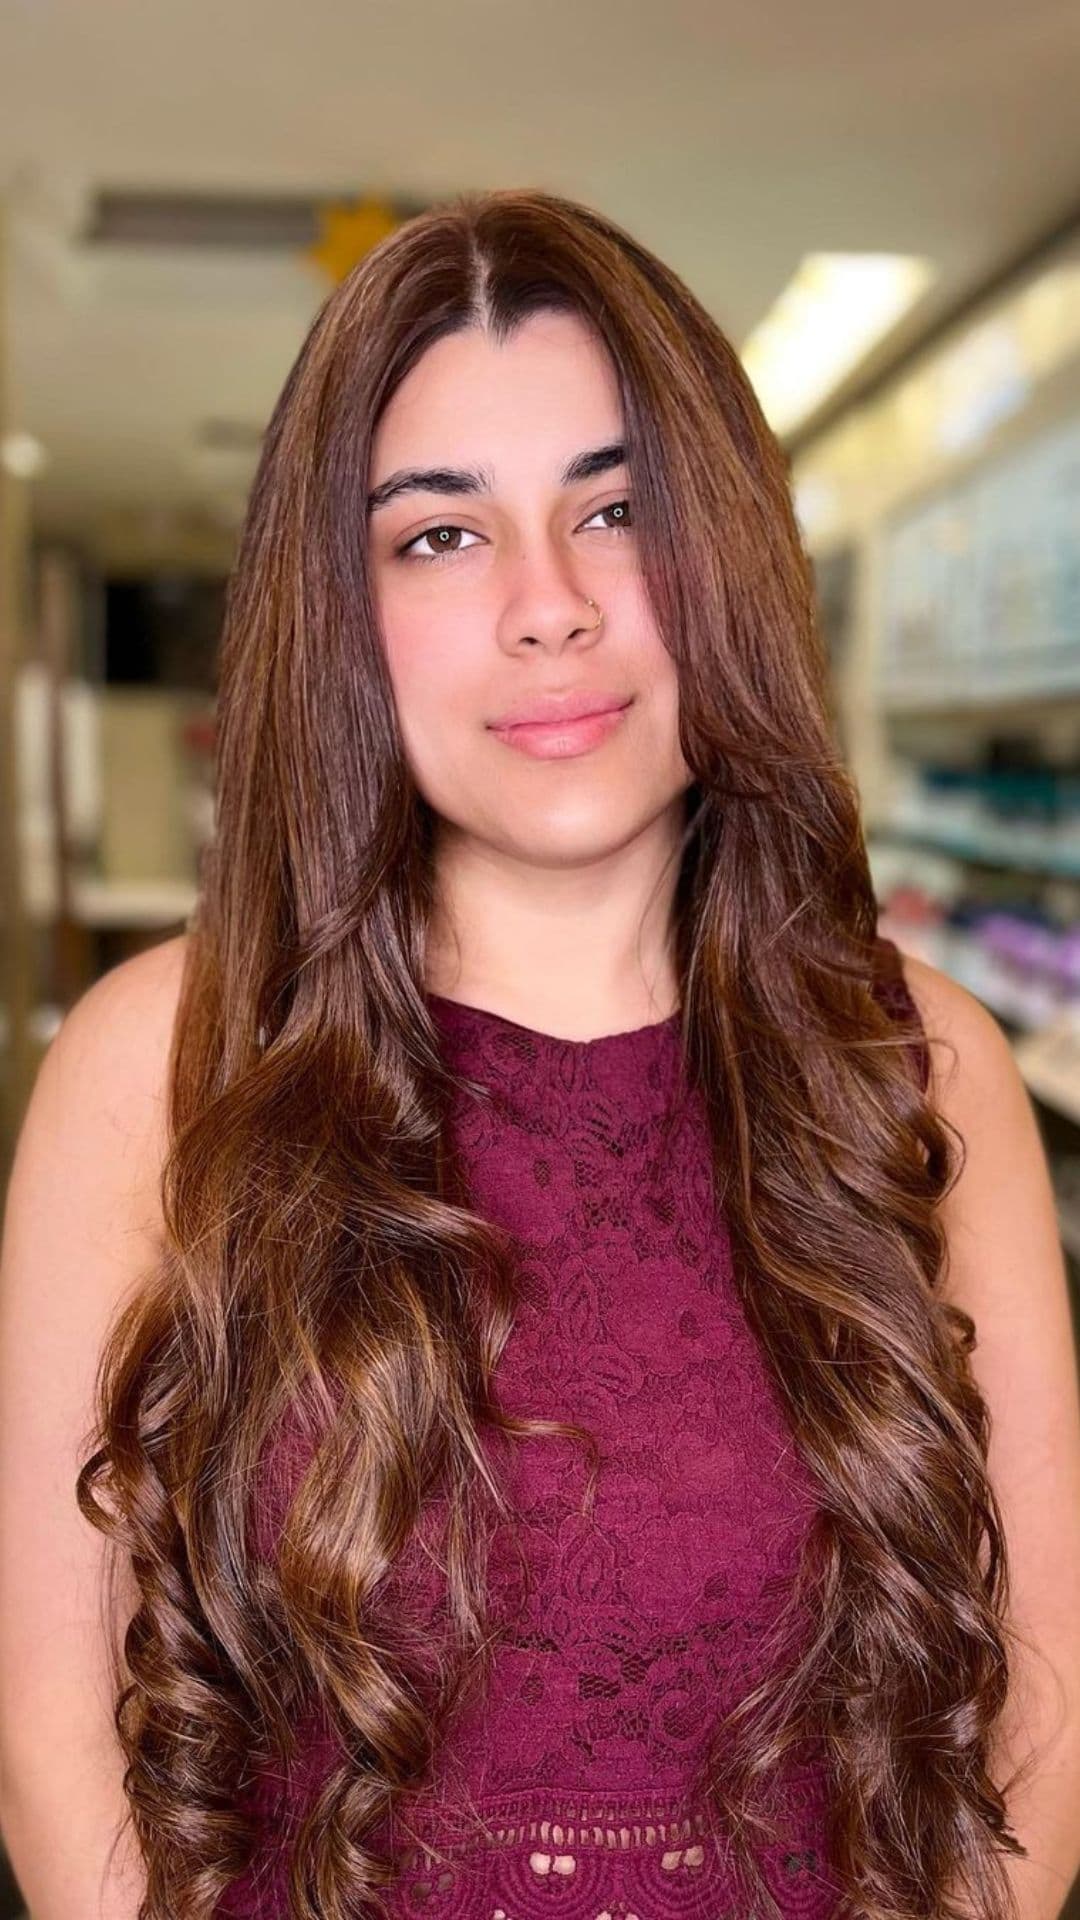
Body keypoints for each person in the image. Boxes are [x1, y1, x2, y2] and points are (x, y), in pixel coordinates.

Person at [2, 186, 1078, 1920]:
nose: (548, 605)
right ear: (341, 610)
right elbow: (63, 1749)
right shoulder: (161, 1067)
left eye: (619, 508)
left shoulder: (922, 1066)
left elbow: (1030, 1727)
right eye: (441, 535)